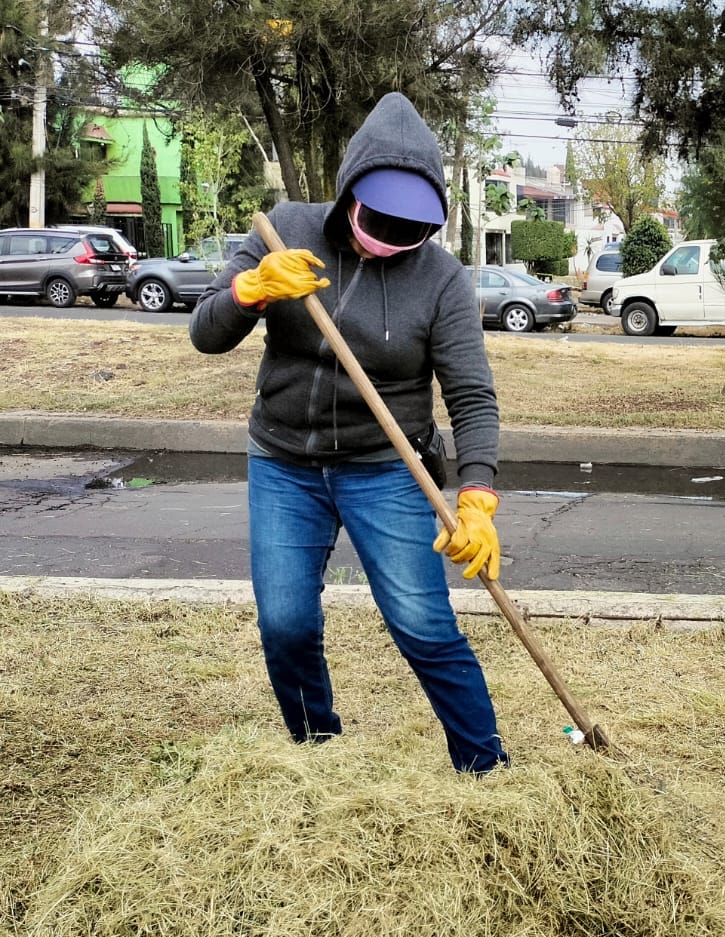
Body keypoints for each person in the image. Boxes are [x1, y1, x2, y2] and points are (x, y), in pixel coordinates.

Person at [191, 92, 510, 774]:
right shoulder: (286, 229)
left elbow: (472, 396)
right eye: (381, 215)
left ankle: (484, 768)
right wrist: (250, 289)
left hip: (387, 468)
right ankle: (318, 755)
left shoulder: (443, 279)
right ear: (348, 194)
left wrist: (478, 494)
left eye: (412, 224)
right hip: (285, 462)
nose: (394, 232)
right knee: (286, 624)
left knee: (423, 625)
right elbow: (205, 332)